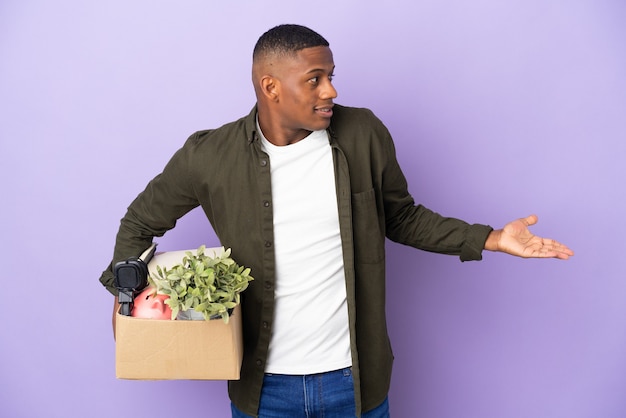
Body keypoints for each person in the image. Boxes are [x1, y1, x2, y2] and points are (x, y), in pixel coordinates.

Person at [99, 24, 573, 417]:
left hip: (356, 381)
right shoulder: (209, 156)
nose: (331, 90)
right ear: (271, 87)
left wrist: (490, 238)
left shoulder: (363, 134)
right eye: (315, 78)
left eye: (331, 76)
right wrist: (130, 298)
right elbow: (139, 222)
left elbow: (402, 217)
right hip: (262, 389)